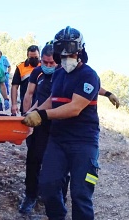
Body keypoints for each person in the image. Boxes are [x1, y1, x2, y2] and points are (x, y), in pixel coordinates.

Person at [19, 41, 120, 214]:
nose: (67, 59)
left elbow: (74, 108)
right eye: (63, 56)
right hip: (58, 139)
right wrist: (32, 113)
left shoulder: (89, 75)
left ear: (79, 53)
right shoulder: (59, 74)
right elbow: (52, 100)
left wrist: (42, 116)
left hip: (83, 141)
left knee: (81, 193)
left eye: (70, 55)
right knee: (48, 187)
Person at [11, 45, 40, 115]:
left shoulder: (44, 65)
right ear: (27, 56)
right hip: (26, 106)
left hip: (41, 106)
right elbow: (14, 87)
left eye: (36, 57)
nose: (34, 60)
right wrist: (14, 104)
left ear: (39, 55)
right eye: (31, 58)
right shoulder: (21, 67)